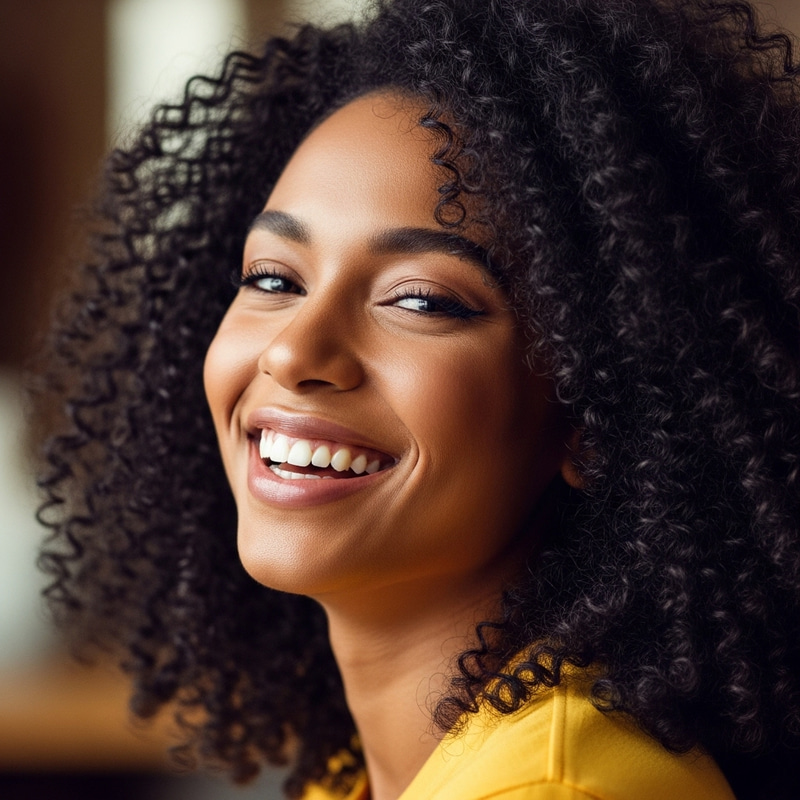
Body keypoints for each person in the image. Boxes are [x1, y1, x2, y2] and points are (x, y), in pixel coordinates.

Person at [34, 1, 800, 798]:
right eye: (273, 279)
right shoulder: (376, 774)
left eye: (422, 301)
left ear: (595, 415)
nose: (295, 350)